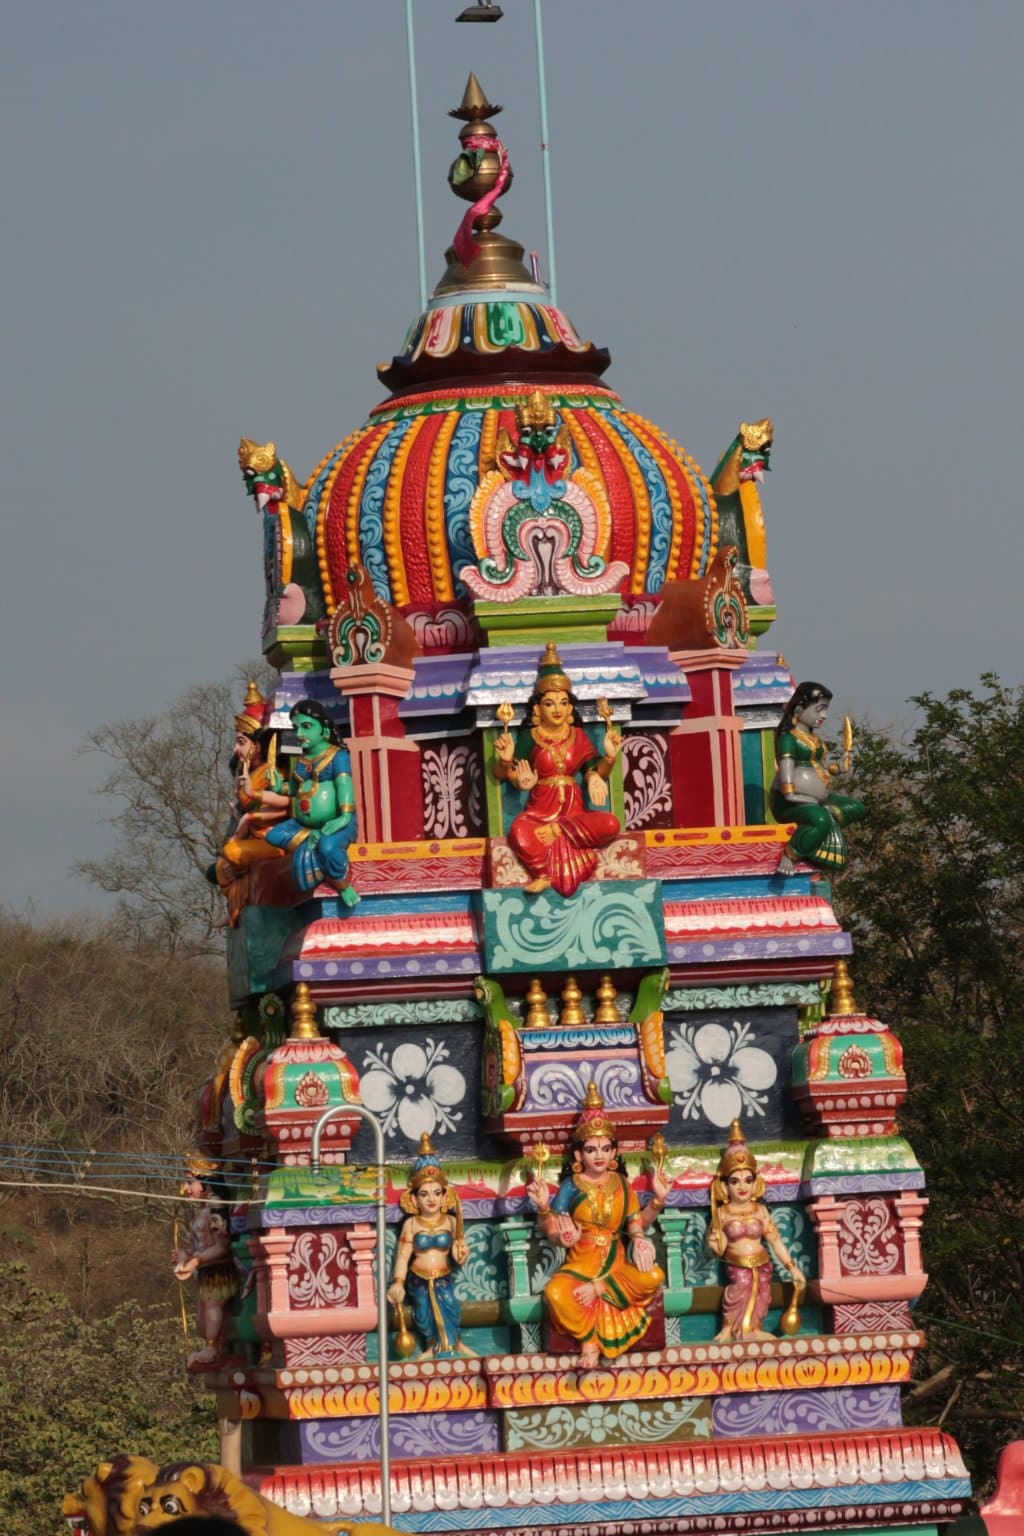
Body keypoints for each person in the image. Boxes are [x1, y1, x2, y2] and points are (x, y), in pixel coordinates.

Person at [526, 1084, 668, 1366]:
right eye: (591, 1149)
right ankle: (589, 1342)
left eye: (605, 1149)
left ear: (614, 1153)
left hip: (615, 1267)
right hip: (580, 1263)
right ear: (579, 1156)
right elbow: (554, 1230)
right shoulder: (571, 1186)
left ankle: (600, 1290)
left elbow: (635, 1227)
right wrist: (546, 1212)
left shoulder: (622, 1185)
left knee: (653, 1276)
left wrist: (657, 1202)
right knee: (555, 1293)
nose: (599, 1155)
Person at [493, 642, 621, 897]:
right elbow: (504, 774)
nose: (557, 709)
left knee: (610, 823)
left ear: (571, 708)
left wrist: (606, 760)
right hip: (539, 812)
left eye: (563, 703)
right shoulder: (531, 737)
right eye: (550, 704)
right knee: (519, 831)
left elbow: (593, 771)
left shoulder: (579, 736)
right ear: (538, 709)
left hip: (573, 814)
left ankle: (557, 832)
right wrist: (511, 768)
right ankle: (542, 874)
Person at [706, 1119, 805, 1342]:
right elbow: (715, 1248)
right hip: (737, 1263)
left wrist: (792, 1268)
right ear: (724, 1185)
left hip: (762, 1263)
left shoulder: (760, 1211)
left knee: (762, 1294)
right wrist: (714, 1244)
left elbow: (775, 1241)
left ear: (755, 1182)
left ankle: (754, 1328)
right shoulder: (721, 1213)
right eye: (735, 1181)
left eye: (748, 1180)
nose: (742, 1187)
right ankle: (729, 1328)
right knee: (737, 1291)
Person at [264, 698, 359, 904]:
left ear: (324, 729)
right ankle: (310, 838)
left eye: (307, 727)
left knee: (326, 847)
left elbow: (344, 786)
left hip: (338, 821)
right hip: (304, 825)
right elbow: (294, 790)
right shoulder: (300, 760)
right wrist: (280, 787)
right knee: (273, 835)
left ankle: (343, 885)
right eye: (296, 728)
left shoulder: (337, 756)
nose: (299, 735)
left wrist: (343, 817)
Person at [386, 1134, 472, 1358]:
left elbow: (458, 1251)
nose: (431, 1199)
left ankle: (453, 1345)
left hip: (443, 1276)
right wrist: (397, 1283)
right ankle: (433, 1346)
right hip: (419, 1278)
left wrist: (461, 1254)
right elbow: (403, 1257)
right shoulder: (412, 1224)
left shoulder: (451, 1222)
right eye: (424, 1194)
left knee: (450, 1307)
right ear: (414, 1200)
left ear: (445, 1197)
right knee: (423, 1313)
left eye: (436, 1193)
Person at [212, 682, 289, 924]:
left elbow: (280, 809)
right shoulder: (251, 773)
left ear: (257, 745)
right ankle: (237, 907)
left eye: (241, 742)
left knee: (232, 853)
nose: (236, 749)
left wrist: (247, 817)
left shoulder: (271, 774)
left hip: (272, 842)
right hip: (252, 840)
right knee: (219, 867)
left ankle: (243, 904)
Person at [769, 680, 866, 874]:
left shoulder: (815, 740)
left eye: (826, 709)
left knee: (857, 808)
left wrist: (838, 767)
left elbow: (820, 768)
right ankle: (790, 855)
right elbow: (785, 773)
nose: (824, 715)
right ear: (799, 709)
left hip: (814, 800)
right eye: (820, 709)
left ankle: (819, 835)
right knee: (820, 819)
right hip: (788, 802)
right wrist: (796, 797)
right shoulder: (788, 738)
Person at [172, 1154, 238, 1370]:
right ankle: (214, 1347)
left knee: (212, 1306)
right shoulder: (195, 1211)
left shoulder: (215, 1204)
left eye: (191, 1182)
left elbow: (222, 1246)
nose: (186, 1188)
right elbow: (194, 1246)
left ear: (206, 1182)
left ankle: (212, 1347)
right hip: (204, 1270)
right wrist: (184, 1256)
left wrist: (196, 1261)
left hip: (218, 1268)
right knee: (202, 1316)